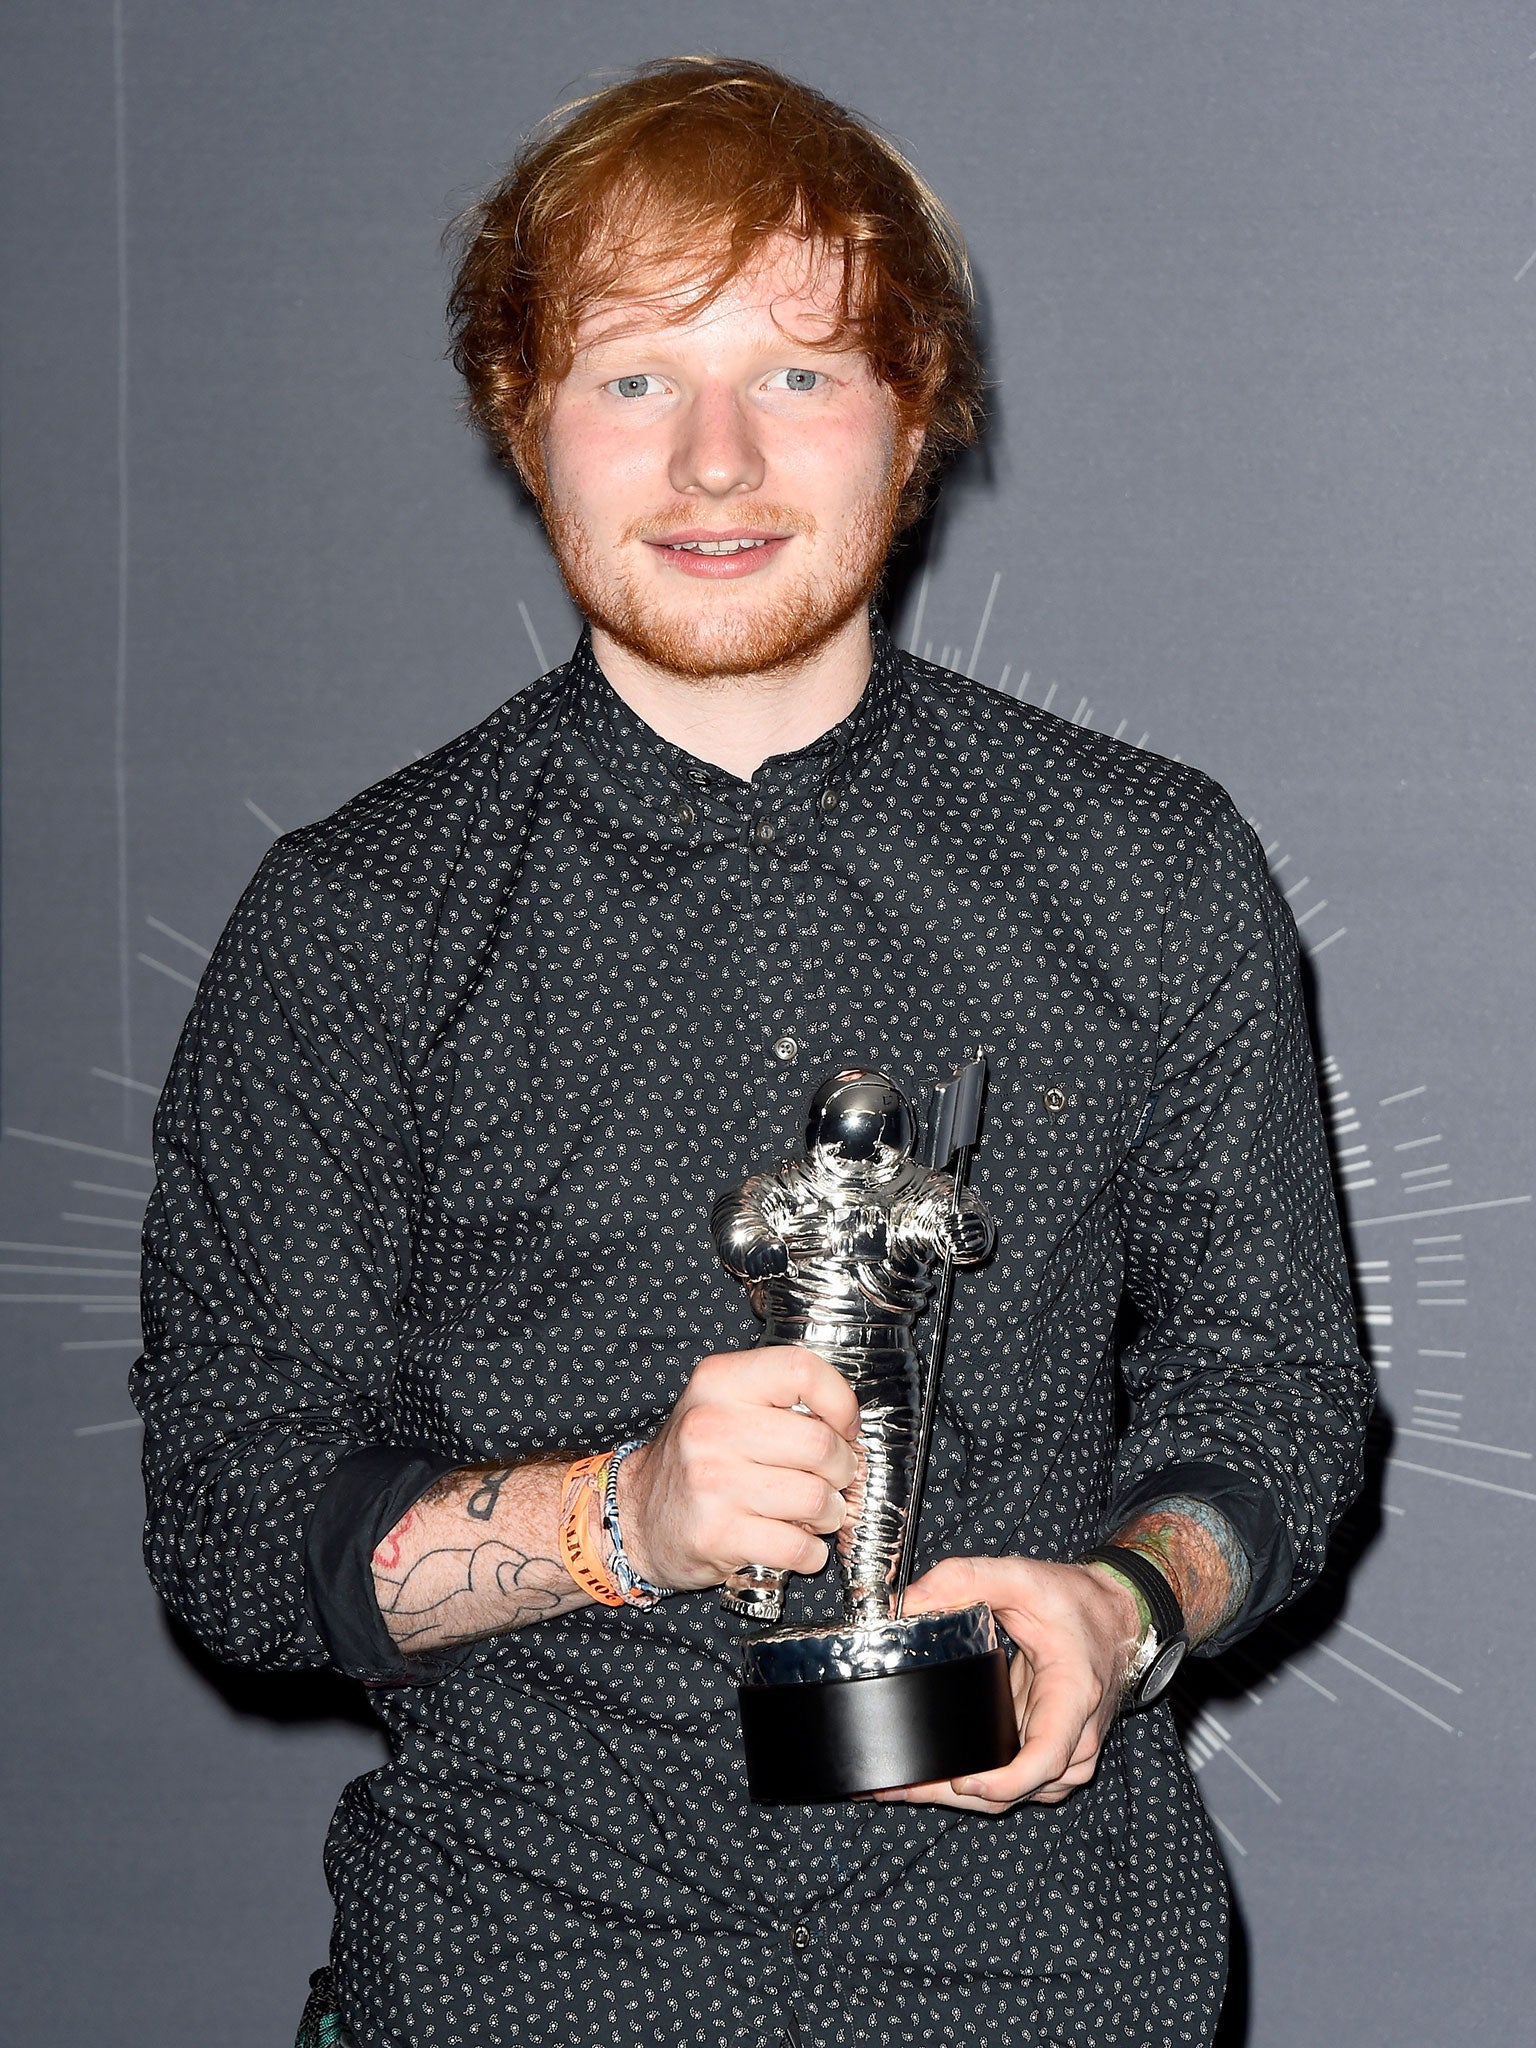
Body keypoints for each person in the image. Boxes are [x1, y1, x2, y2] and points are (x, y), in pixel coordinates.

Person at [132, 55, 1373, 2047]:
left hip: (1053, 1984)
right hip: (514, 1983)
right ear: (523, 417)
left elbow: (1280, 1401)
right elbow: (233, 1526)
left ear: (916, 419)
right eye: (634, 378)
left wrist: (1122, 1613)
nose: (714, 465)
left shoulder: (1147, 866)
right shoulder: (354, 925)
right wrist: (622, 1515)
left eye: (798, 374)